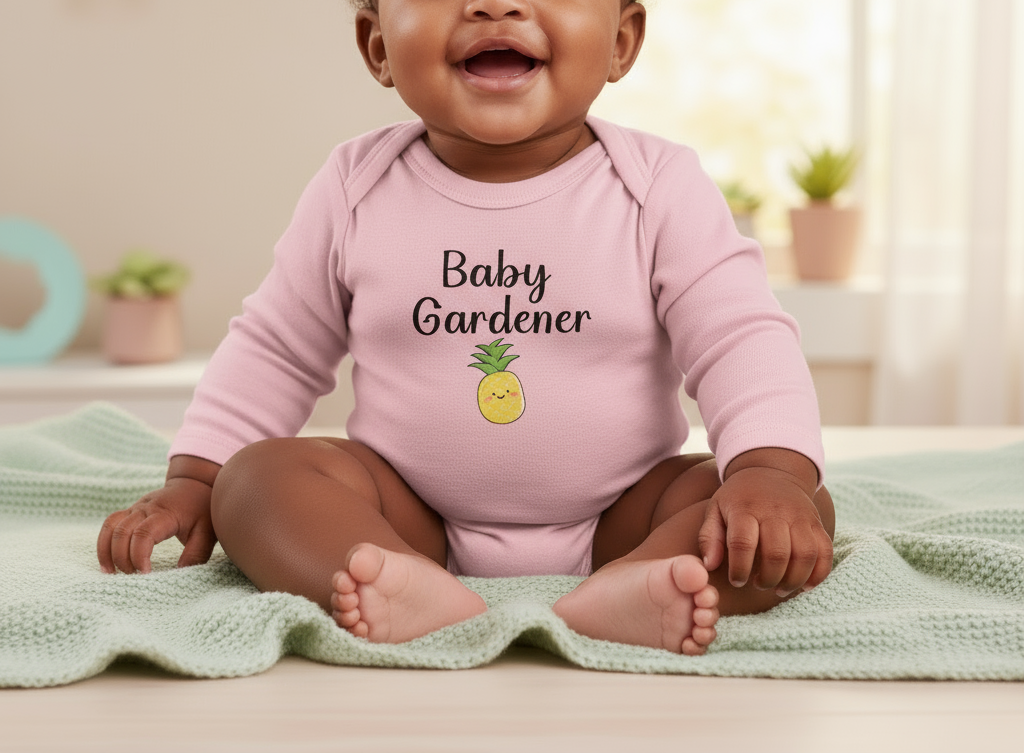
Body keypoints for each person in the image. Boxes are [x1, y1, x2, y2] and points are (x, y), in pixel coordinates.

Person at [97, 0, 834, 657]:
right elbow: (276, 348)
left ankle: (647, 584)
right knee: (256, 482)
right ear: (378, 45)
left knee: (791, 508)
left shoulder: (658, 187)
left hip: (627, 515)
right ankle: (388, 580)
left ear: (621, 40)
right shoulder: (355, 187)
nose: (495, 7)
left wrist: (770, 473)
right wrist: (197, 478)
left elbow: (739, 336)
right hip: (408, 518)